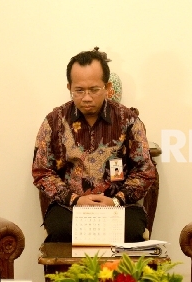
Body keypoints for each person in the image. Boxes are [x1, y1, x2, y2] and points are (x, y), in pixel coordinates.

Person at [32, 47, 157, 242]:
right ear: (69, 88)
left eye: (94, 90)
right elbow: (42, 171)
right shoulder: (54, 122)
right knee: (60, 230)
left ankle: (123, 274)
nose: (87, 97)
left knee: (132, 230)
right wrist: (75, 200)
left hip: (118, 206)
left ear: (107, 88)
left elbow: (144, 171)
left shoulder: (128, 121)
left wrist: (116, 201)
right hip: (71, 208)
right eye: (79, 90)